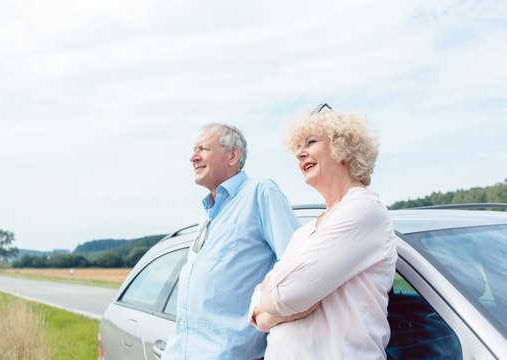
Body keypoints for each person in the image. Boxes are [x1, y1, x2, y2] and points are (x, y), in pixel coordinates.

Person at [249, 104, 397, 359]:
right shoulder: (304, 233)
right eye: (297, 148)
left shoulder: (363, 209)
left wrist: (273, 301)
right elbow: (257, 314)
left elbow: (286, 294)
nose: (299, 154)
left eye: (311, 142)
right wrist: (279, 304)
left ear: (344, 148)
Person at [162, 123, 301, 360]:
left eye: (202, 149)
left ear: (232, 155)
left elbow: (298, 269)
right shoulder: (208, 211)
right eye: (194, 150)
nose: (193, 157)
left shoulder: (260, 192)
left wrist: (265, 315)